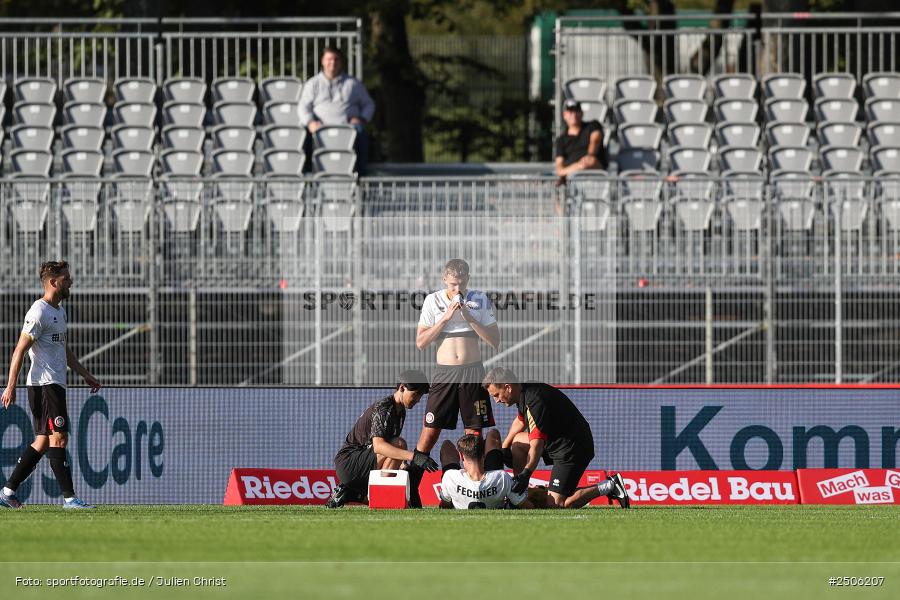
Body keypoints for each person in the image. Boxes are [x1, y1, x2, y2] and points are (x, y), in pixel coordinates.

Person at [0, 261, 102, 510]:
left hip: (54, 384)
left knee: (43, 442)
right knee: (60, 438)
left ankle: (7, 491)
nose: (71, 282)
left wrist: (85, 374)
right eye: (67, 278)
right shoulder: (39, 312)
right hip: (45, 385)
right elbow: (19, 351)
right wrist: (11, 386)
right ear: (54, 282)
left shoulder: (60, 310)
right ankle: (69, 499)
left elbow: (63, 349)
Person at [411, 259, 500, 506]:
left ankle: (478, 488)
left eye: (460, 284)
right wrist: (446, 317)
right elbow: (421, 342)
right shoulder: (433, 301)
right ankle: (412, 489)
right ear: (444, 281)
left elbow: (494, 340)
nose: (456, 289)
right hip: (445, 374)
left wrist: (468, 316)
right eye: (452, 285)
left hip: (472, 373)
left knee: (474, 433)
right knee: (429, 433)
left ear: (467, 280)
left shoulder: (479, 299)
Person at [482, 366, 630, 509]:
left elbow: (536, 446)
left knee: (556, 504)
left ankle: (610, 486)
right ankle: (519, 495)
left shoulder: (535, 401)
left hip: (572, 448)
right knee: (518, 442)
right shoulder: (524, 391)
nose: (496, 400)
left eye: (496, 395)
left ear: (508, 387)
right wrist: (505, 446)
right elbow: (520, 421)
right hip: (558, 442)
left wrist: (526, 473)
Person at [326, 369, 436, 508]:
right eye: (416, 394)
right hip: (349, 463)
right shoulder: (384, 408)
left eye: (420, 396)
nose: (418, 399)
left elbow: (389, 453)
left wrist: (403, 467)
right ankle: (378, 493)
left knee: (397, 499)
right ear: (402, 387)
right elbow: (379, 446)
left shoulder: (400, 411)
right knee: (400, 444)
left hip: (362, 463)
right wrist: (415, 457)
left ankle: (350, 494)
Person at [298, 45, 375, 174]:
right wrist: (310, 122)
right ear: (322, 61)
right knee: (303, 136)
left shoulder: (353, 84)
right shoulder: (313, 84)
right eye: (329, 59)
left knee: (360, 131)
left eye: (336, 59)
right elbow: (303, 106)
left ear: (341, 62)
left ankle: (361, 176)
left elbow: (369, 104)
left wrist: (361, 118)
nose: (332, 62)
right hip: (319, 128)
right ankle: (307, 176)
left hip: (348, 128)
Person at [437, 430, 531, 509]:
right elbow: (526, 506)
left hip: (459, 486)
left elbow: (444, 505)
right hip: (492, 483)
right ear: (484, 454)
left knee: (446, 444)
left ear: (461, 456)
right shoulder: (502, 477)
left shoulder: (450, 477)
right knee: (493, 433)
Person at [554, 99, 608, 185]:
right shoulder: (561, 140)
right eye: (570, 112)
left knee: (590, 161)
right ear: (564, 115)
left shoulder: (593, 125)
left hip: (595, 179)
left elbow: (595, 141)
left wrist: (589, 156)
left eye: (576, 111)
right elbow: (559, 167)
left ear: (582, 113)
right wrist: (578, 166)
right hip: (570, 180)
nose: (574, 115)